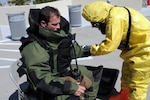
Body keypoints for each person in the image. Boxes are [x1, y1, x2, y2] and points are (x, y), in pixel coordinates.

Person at [19, 6, 102, 100]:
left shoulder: (59, 36)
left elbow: (76, 51)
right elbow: (41, 79)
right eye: (54, 24)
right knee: (73, 97)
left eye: (59, 23)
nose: (58, 27)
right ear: (43, 24)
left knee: (94, 74)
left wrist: (97, 49)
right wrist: (71, 88)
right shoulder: (34, 47)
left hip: (61, 73)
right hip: (46, 86)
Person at [82, 1, 150, 100]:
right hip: (135, 50)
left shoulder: (115, 19)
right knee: (126, 77)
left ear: (99, 17)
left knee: (137, 84)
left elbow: (110, 46)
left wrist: (90, 50)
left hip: (145, 52)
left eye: (95, 23)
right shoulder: (115, 12)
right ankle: (124, 97)